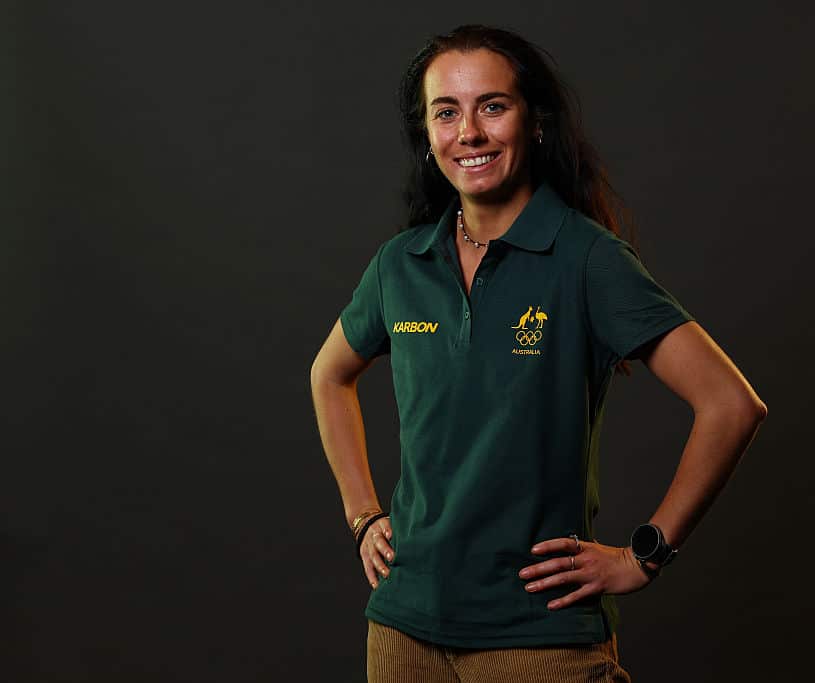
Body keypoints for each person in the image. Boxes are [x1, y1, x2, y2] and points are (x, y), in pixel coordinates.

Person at [310, 24, 767, 682]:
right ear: (428, 133)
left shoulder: (586, 259)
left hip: (539, 638)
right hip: (402, 630)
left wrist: (642, 555)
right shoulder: (400, 265)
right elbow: (329, 374)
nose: (469, 131)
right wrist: (363, 514)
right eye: (447, 111)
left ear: (535, 123)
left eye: (492, 106)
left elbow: (731, 405)